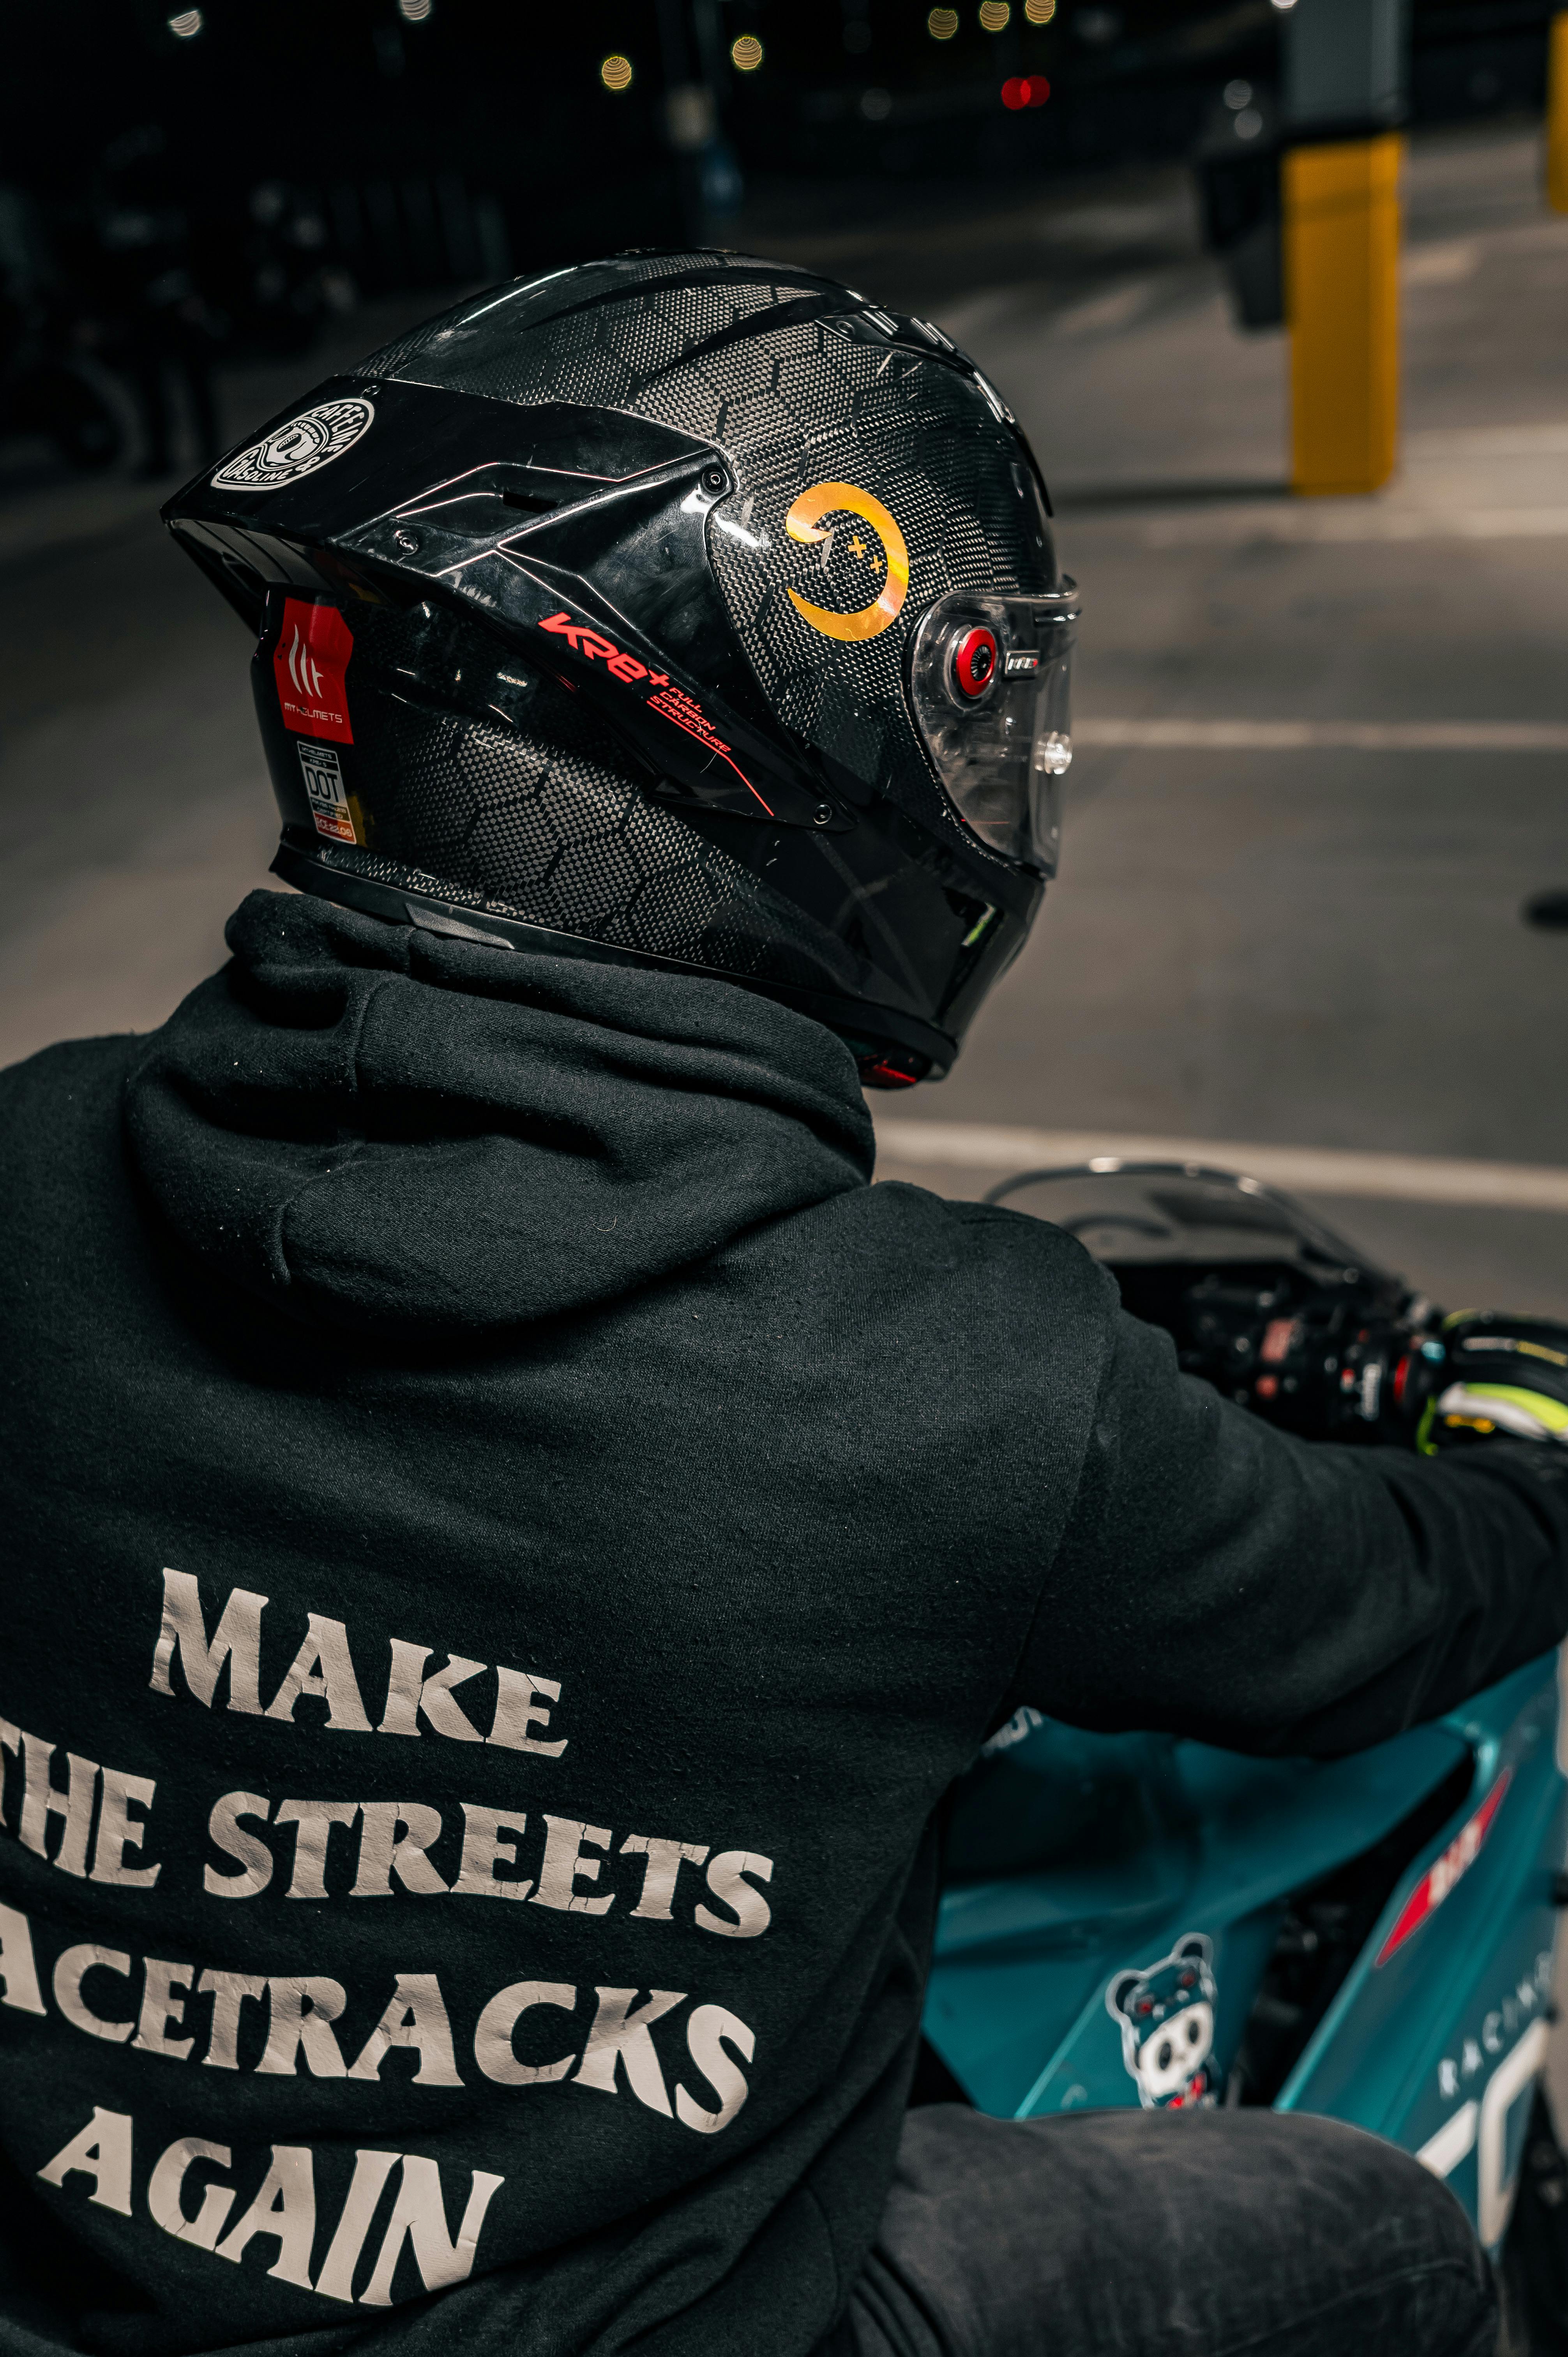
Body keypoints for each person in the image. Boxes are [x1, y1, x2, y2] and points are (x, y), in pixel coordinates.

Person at [1, 249, 1563, 2357]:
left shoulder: (33, 1166)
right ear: (792, 763)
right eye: (959, 710)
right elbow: (1362, 1613)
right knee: (1361, 2232)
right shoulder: (958, 1385)